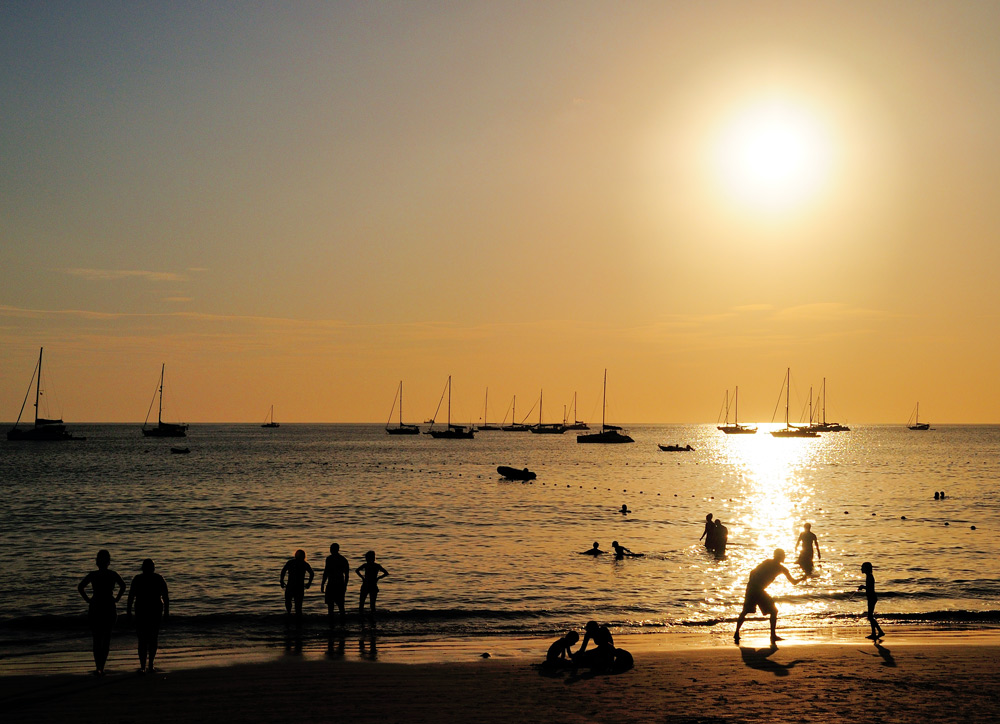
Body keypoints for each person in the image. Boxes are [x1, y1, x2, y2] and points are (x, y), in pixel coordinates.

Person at [734, 549, 804, 643]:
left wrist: (752, 583)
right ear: (778, 556)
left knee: (747, 611)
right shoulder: (778, 567)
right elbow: (794, 582)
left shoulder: (775, 566)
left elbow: (752, 572)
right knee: (772, 611)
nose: (784, 557)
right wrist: (803, 578)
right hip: (756, 589)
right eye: (783, 555)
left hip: (754, 588)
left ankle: (737, 632)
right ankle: (772, 636)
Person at [78, 549, 126, 675]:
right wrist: (117, 598)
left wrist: (88, 600)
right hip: (109, 605)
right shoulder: (112, 574)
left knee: (97, 638)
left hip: (96, 605)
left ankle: (98, 667)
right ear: (108, 562)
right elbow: (123, 586)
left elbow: (80, 587)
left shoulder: (93, 575)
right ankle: (102, 666)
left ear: (97, 562)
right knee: (106, 638)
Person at [126, 558, 169, 673]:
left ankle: (144, 666)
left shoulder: (138, 579)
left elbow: (131, 597)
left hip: (143, 610)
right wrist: (166, 612)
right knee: (151, 638)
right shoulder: (158, 578)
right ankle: (149, 665)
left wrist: (129, 611)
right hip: (152, 610)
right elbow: (165, 597)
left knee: (143, 639)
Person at [320, 543, 350, 626]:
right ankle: (341, 624)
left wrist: (323, 583)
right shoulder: (342, 559)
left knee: (332, 606)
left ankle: (333, 624)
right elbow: (346, 574)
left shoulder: (330, 559)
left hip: (333, 584)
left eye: (331, 548)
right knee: (339, 606)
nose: (330, 550)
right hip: (338, 584)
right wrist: (345, 585)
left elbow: (326, 572)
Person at [280, 549, 315, 620]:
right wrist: (309, 583)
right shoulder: (304, 564)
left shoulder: (291, 562)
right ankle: (298, 620)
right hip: (299, 587)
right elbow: (311, 573)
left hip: (291, 585)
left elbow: (283, 571)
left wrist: (281, 580)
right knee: (298, 605)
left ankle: (289, 616)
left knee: (288, 602)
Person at [356, 550, 389, 621]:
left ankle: (361, 618)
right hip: (373, 585)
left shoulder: (366, 565)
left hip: (366, 585)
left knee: (362, 603)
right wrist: (378, 578)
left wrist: (362, 578)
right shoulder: (376, 566)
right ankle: (372, 619)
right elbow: (386, 573)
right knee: (372, 604)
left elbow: (357, 570)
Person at [858, 562, 885, 640]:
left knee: (870, 617)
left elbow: (870, 588)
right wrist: (863, 587)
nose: (861, 569)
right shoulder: (869, 576)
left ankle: (879, 631)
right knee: (871, 616)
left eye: (863, 567)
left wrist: (863, 587)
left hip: (872, 598)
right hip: (871, 597)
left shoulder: (869, 577)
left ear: (866, 569)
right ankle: (874, 633)